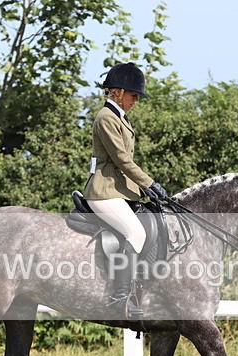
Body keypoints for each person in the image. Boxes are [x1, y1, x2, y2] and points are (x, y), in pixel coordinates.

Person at [83, 62, 169, 319]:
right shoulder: (106, 118)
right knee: (135, 232)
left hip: (121, 190)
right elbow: (122, 160)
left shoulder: (120, 117)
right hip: (104, 191)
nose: (136, 100)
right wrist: (149, 184)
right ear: (118, 92)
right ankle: (118, 299)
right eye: (134, 95)